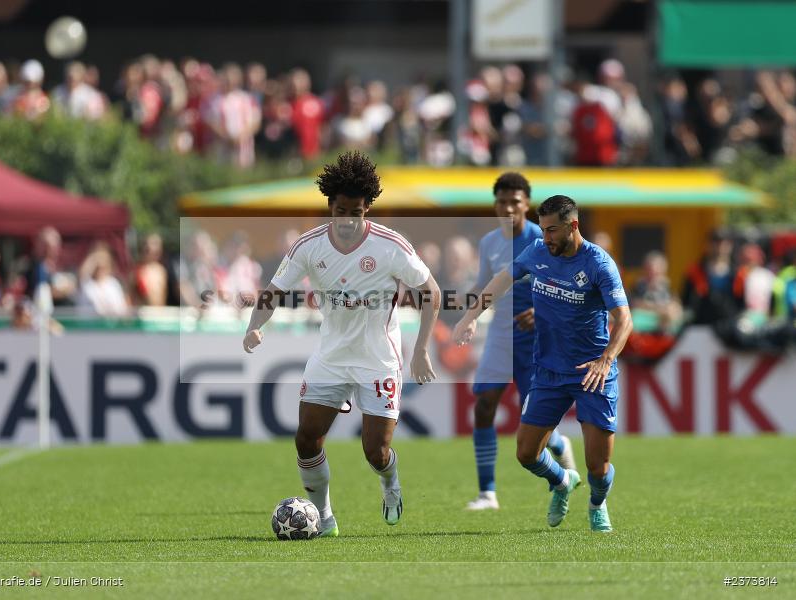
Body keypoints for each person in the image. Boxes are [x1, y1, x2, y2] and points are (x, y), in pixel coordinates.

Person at [242, 151, 441, 536]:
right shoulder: (309, 246)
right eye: (340, 211)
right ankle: (324, 517)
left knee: (375, 452)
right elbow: (274, 290)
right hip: (331, 357)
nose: (348, 220)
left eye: (356, 211)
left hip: (378, 359)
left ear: (368, 207)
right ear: (329, 206)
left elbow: (431, 292)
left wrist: (420, 350)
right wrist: (254, 326)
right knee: (306, 438)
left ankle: (390, 484)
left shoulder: (390, 245)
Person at [454, 195, 632, 532]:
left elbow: (624, 320)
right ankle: (563, 481)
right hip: (549, 370)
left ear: (573, 226)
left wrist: (606, 360)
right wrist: (471, 316)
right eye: (544, 229)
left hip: (592, 373)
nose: (545, 237)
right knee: (526, 454)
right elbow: (501, 280)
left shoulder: (599, 264)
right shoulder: (537, 251)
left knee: (598, 465)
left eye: (552, 231)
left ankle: (597, 502)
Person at [466, 173, 575, 512]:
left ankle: (558, 444)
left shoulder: (542, 240)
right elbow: (485, 285)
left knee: (534, 420)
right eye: (502, 201)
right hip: (501, 334)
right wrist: (466, 315)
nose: (508, 207)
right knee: (484, 404)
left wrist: (540, 313)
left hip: (538, 340)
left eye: (515, 201)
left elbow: (563, 286)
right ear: (495, 204)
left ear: (526, 204)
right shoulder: (488, 243)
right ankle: (487, 493)